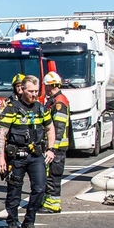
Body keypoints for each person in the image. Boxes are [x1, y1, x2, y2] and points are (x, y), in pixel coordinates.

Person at [0, 75, 55, 228]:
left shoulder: (41, 109)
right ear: (22, 89)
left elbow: (50, 129)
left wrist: (51, 149)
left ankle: (29, 221)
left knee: (40, 188)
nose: (34, 94)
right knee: (14, 190)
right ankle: (12, 222)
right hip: (17, 157)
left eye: (36, 91)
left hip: (36, 156)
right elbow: (1, 134)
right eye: (31, 91)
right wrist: (1, 158)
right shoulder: (11, 109)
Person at [41, 72, 70, 214]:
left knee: (53, 176)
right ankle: (48, 201)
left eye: (45, 86)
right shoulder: (55, 100)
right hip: (54, 147)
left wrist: (52, 149)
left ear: (50, 86)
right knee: (48, 176)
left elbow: (59, 127)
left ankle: (53, 204)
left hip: (57, 148)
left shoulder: (59, 103)